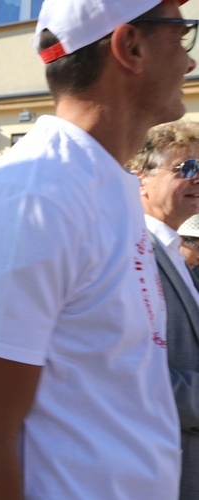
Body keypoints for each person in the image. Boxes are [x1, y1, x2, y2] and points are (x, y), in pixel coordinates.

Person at [0, 0, 195, 497]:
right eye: (181, 34)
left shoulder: (103, 184)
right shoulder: (35, 192)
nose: (189, 60)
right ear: (131, 45)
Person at [127, 120, 199, 499]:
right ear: (141, 179)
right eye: (186, 168)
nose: (198, 178)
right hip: (157, 472)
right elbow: (127, 371)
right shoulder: (131, 252)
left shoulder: (174, 252)